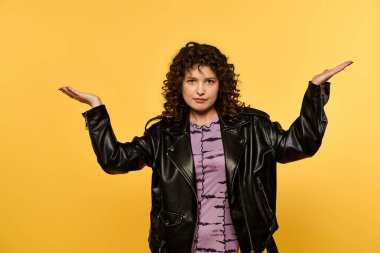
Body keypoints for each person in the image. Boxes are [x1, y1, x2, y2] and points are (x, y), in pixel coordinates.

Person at [58, 41, 353, 253]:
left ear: (221, 85)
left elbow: (299, 144)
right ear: (180, 85)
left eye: (209, 81)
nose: (200, 90)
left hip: (238, 245)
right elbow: (114, 160)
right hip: (181, 246)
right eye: (192, 80)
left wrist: (315, 92)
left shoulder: (251, 128)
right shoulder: (163, 134)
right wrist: (96, 110)